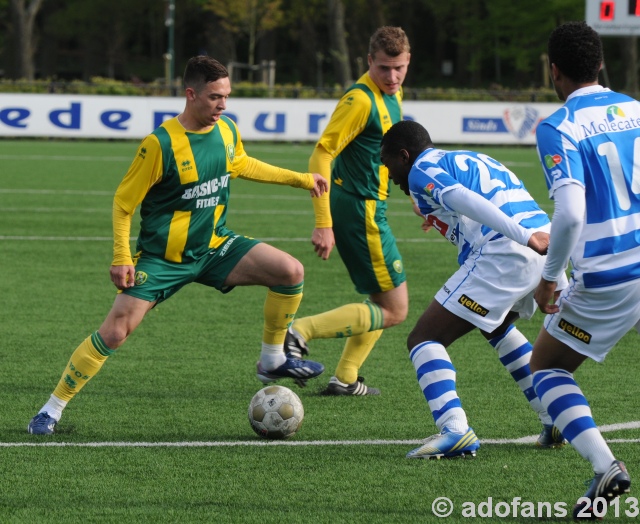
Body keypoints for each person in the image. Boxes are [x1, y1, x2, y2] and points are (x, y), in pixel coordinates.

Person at [27, 56, 328, 436]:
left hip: (215, 247)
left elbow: (244, 164)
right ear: (191, 94)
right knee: (116, 332)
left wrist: (302, 179)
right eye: (215, 97)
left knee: (290, 271)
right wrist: (121, 257)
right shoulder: (160, 144)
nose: (223, 105)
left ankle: (271, 360)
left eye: (227, 97)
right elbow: (123, 203)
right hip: (162, 259)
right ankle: (50, 410)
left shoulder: (226, 130)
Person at [379, 119, 568, 459]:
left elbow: (463, 198)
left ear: (404, 156)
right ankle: (553, 415)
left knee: (423, 338)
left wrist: (525, 237)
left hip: (510, 250)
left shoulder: (423, 169)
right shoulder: (465, 158)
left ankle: (455, 430)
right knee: (495, 327)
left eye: (389, 165)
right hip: (544, 249)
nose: (391, 177)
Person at [529, 21, 638, 519]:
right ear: (599, 64)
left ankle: (605, 467)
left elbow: (570, 213)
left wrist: (549, 276)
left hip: (612, 273)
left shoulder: (558, 125)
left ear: (554, 70)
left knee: (547, 367)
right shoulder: (637, 110)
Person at [284, 26, 411, 395]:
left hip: (367, 206)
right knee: (396, 309)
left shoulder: (393, 93)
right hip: (359, 210)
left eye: (399, 68)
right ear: (369, 60)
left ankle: (346, 378)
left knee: (381, 300)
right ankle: (299, 333)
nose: (392, 76)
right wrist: (323, 222)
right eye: (384, 68)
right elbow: (322, 153)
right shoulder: (361, 100)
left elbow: (386, 156)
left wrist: (417, 196)